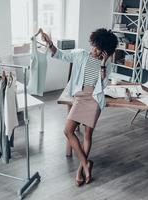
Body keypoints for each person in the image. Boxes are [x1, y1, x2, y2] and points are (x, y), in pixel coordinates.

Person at [41, 28, 118, 186]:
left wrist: (103, 64)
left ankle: (80, 171)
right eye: (95, 46)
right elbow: (61, 54)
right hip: (80, 96)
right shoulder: (81, 54)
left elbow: (103, 83)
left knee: (87, 134)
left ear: (106, 51)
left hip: (94, 98)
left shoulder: (107, 63)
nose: (95, 51)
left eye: (99, 49)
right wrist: (50, 43)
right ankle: (86, 163)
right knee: (68, 130)